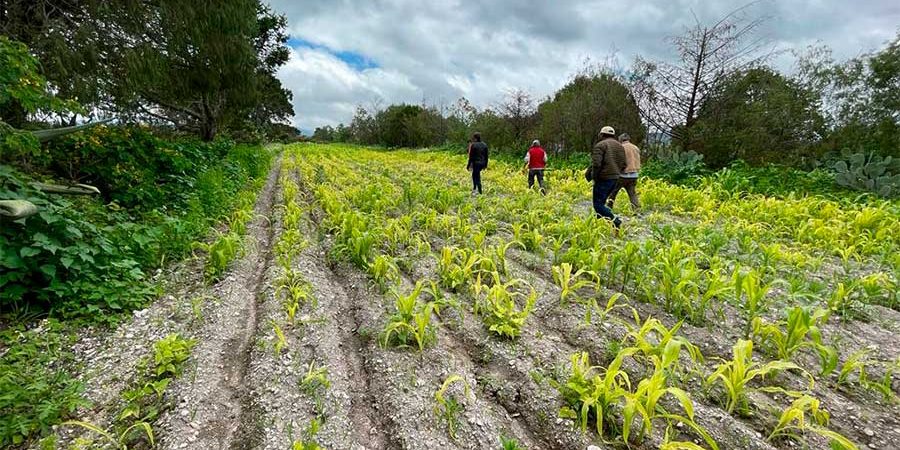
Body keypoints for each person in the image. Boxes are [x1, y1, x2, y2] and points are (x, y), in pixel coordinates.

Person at [585, 125, 626, 229]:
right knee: (602, 202)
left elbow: (597, 164)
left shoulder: (601, 145)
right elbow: (624, 164)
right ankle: (599, 224)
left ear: (602, 134)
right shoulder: (620, 146)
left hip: (603, 178)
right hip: (615, 178)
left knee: (598, 205)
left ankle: (615, 220)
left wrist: (594, 177)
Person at [607, 133, 641, 211]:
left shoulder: (620, 147)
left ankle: (608, 208)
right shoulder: (635, 148)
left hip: (622, 175)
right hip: (634, 175)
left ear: (621, 140)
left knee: (613, 192)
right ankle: (636, 210)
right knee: (632, 194)